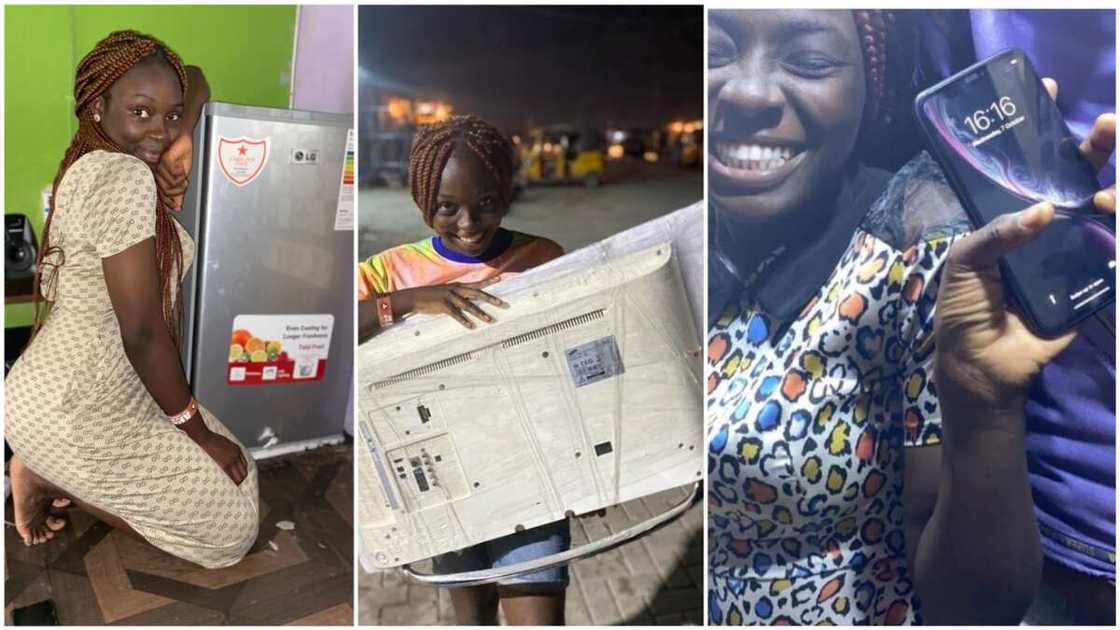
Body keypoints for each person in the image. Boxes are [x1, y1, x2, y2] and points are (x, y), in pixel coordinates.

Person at [705, 9, 1116, 625]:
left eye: (811, 62)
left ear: (873, 86)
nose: (746, 89)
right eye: (713, 53)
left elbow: (974, 605)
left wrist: (982, 400)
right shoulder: (693, 245)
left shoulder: (915, 253)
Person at [4, 30, 259, 569]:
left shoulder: (98, 160)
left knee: (246, 475)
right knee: (228, 539)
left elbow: (196, 75)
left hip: (103, 389)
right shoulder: (120, 176)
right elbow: (142, 331)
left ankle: (48, 462)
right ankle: (43, 469)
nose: (158, 131)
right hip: (76, 405)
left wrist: (184, 132)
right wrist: (195, 431)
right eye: (140, 112)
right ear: (99, 106)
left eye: (169, 115)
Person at [357, 115, 569, 625]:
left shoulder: (541, 258)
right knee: (470, 619)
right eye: (447, 208)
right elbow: (337, 327)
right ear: (421, 200)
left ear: (507, 195)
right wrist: (410, 301)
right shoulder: (390, 272)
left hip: (530, 476)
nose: (469, 224)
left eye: (487, 204)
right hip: (440, 482)